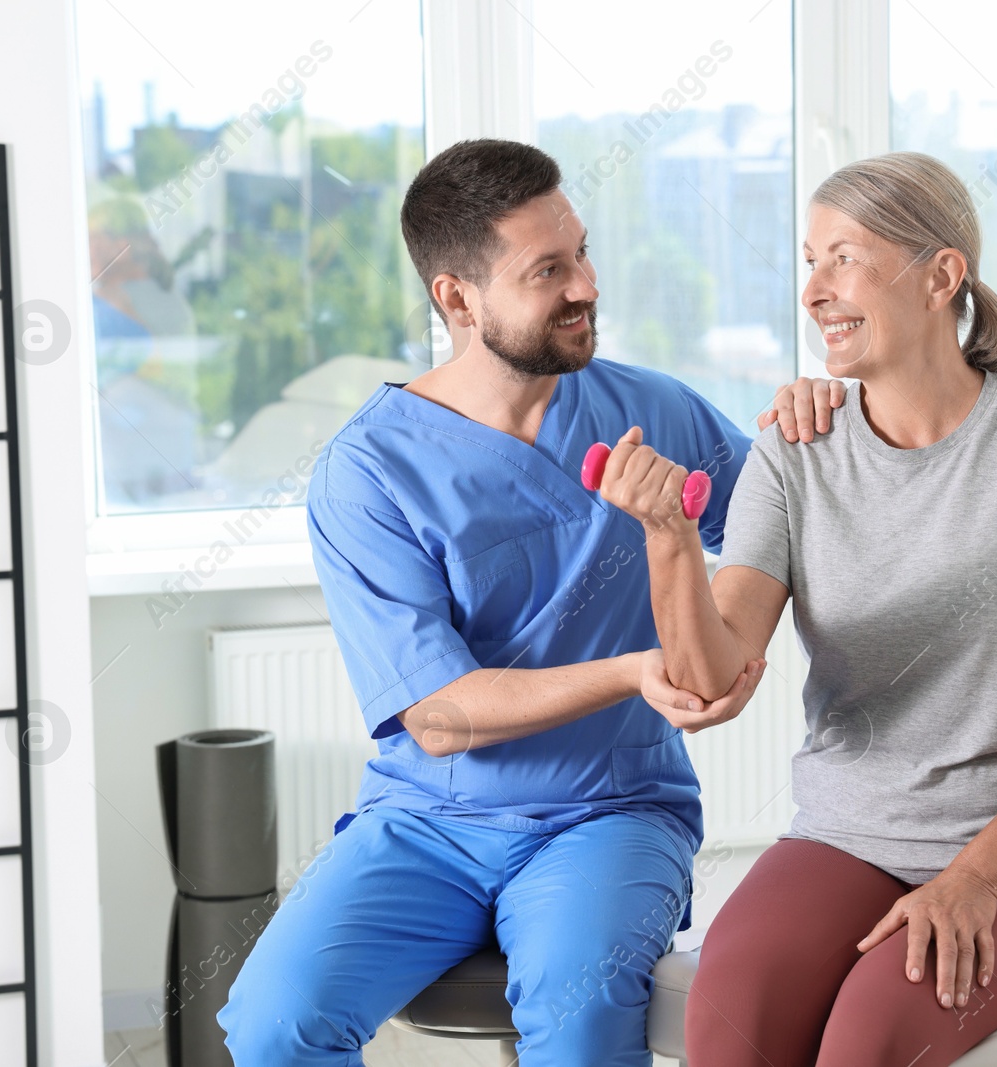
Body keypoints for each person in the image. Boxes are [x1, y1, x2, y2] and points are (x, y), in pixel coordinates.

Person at [217, 138, 842, 1066]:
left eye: (582, 252)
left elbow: (787, 520)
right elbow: (438, 713)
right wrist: (635, 671)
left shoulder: (653, 410)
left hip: (612, 809)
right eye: (548, 270)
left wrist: (815, 422)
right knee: (273, 1024)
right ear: (457, 300)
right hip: (427, 822)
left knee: (579, 1016)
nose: (586, 285)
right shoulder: (369, 472)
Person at [592, 151, 997, 1066]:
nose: (815, 289)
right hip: (851, 836)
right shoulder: (793, 451)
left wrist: (973, 880)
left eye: (845, 258)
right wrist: (670, 540)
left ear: (942, 276)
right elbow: (712, 675)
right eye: (809, 262)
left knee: (871, 1030)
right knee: (729, 1012)